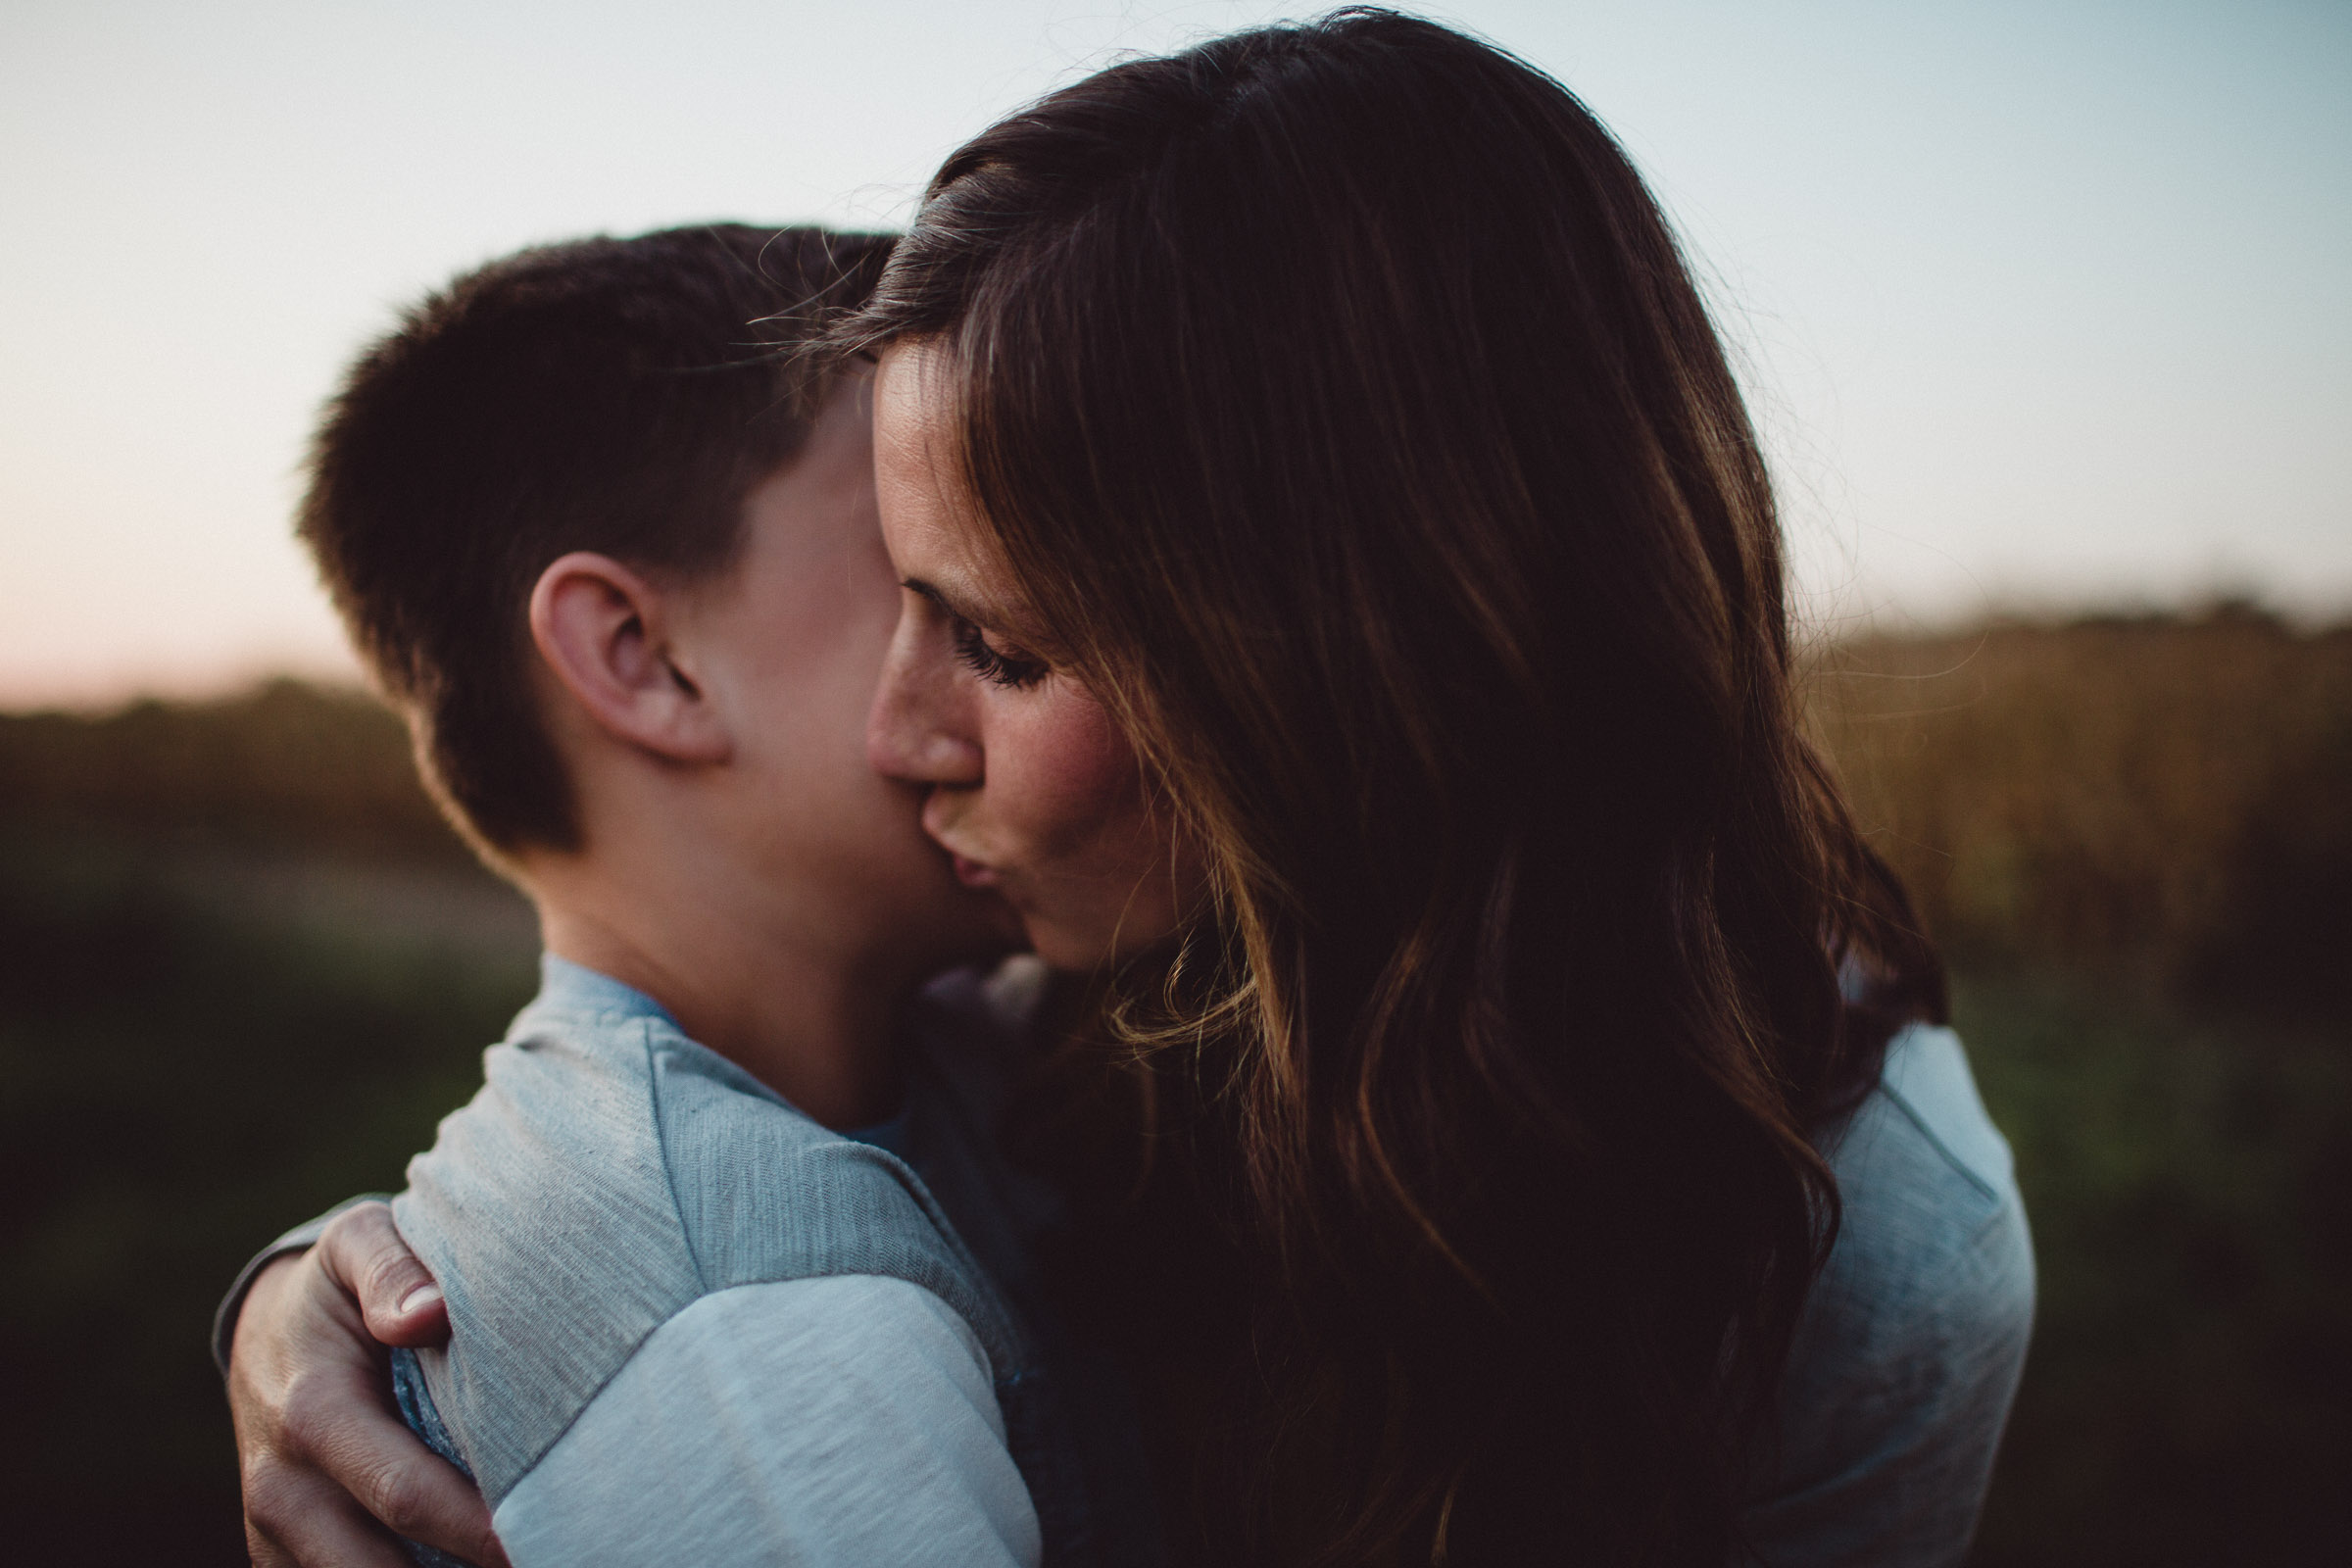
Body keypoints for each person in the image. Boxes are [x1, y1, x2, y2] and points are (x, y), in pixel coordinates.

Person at [223, 11, 2033, 1565]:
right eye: (895, 597)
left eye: (996, 643)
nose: (900, 727)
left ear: (1349, 655)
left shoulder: (1871, 1265)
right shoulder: (1063, 1001)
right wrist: (334, 1310)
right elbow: (656, 1146)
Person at [220, 222, 1159, 1568]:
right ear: (642, 658)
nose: (1024, 623)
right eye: (917, 567)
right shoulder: (760, 1335)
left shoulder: (967, 1046)